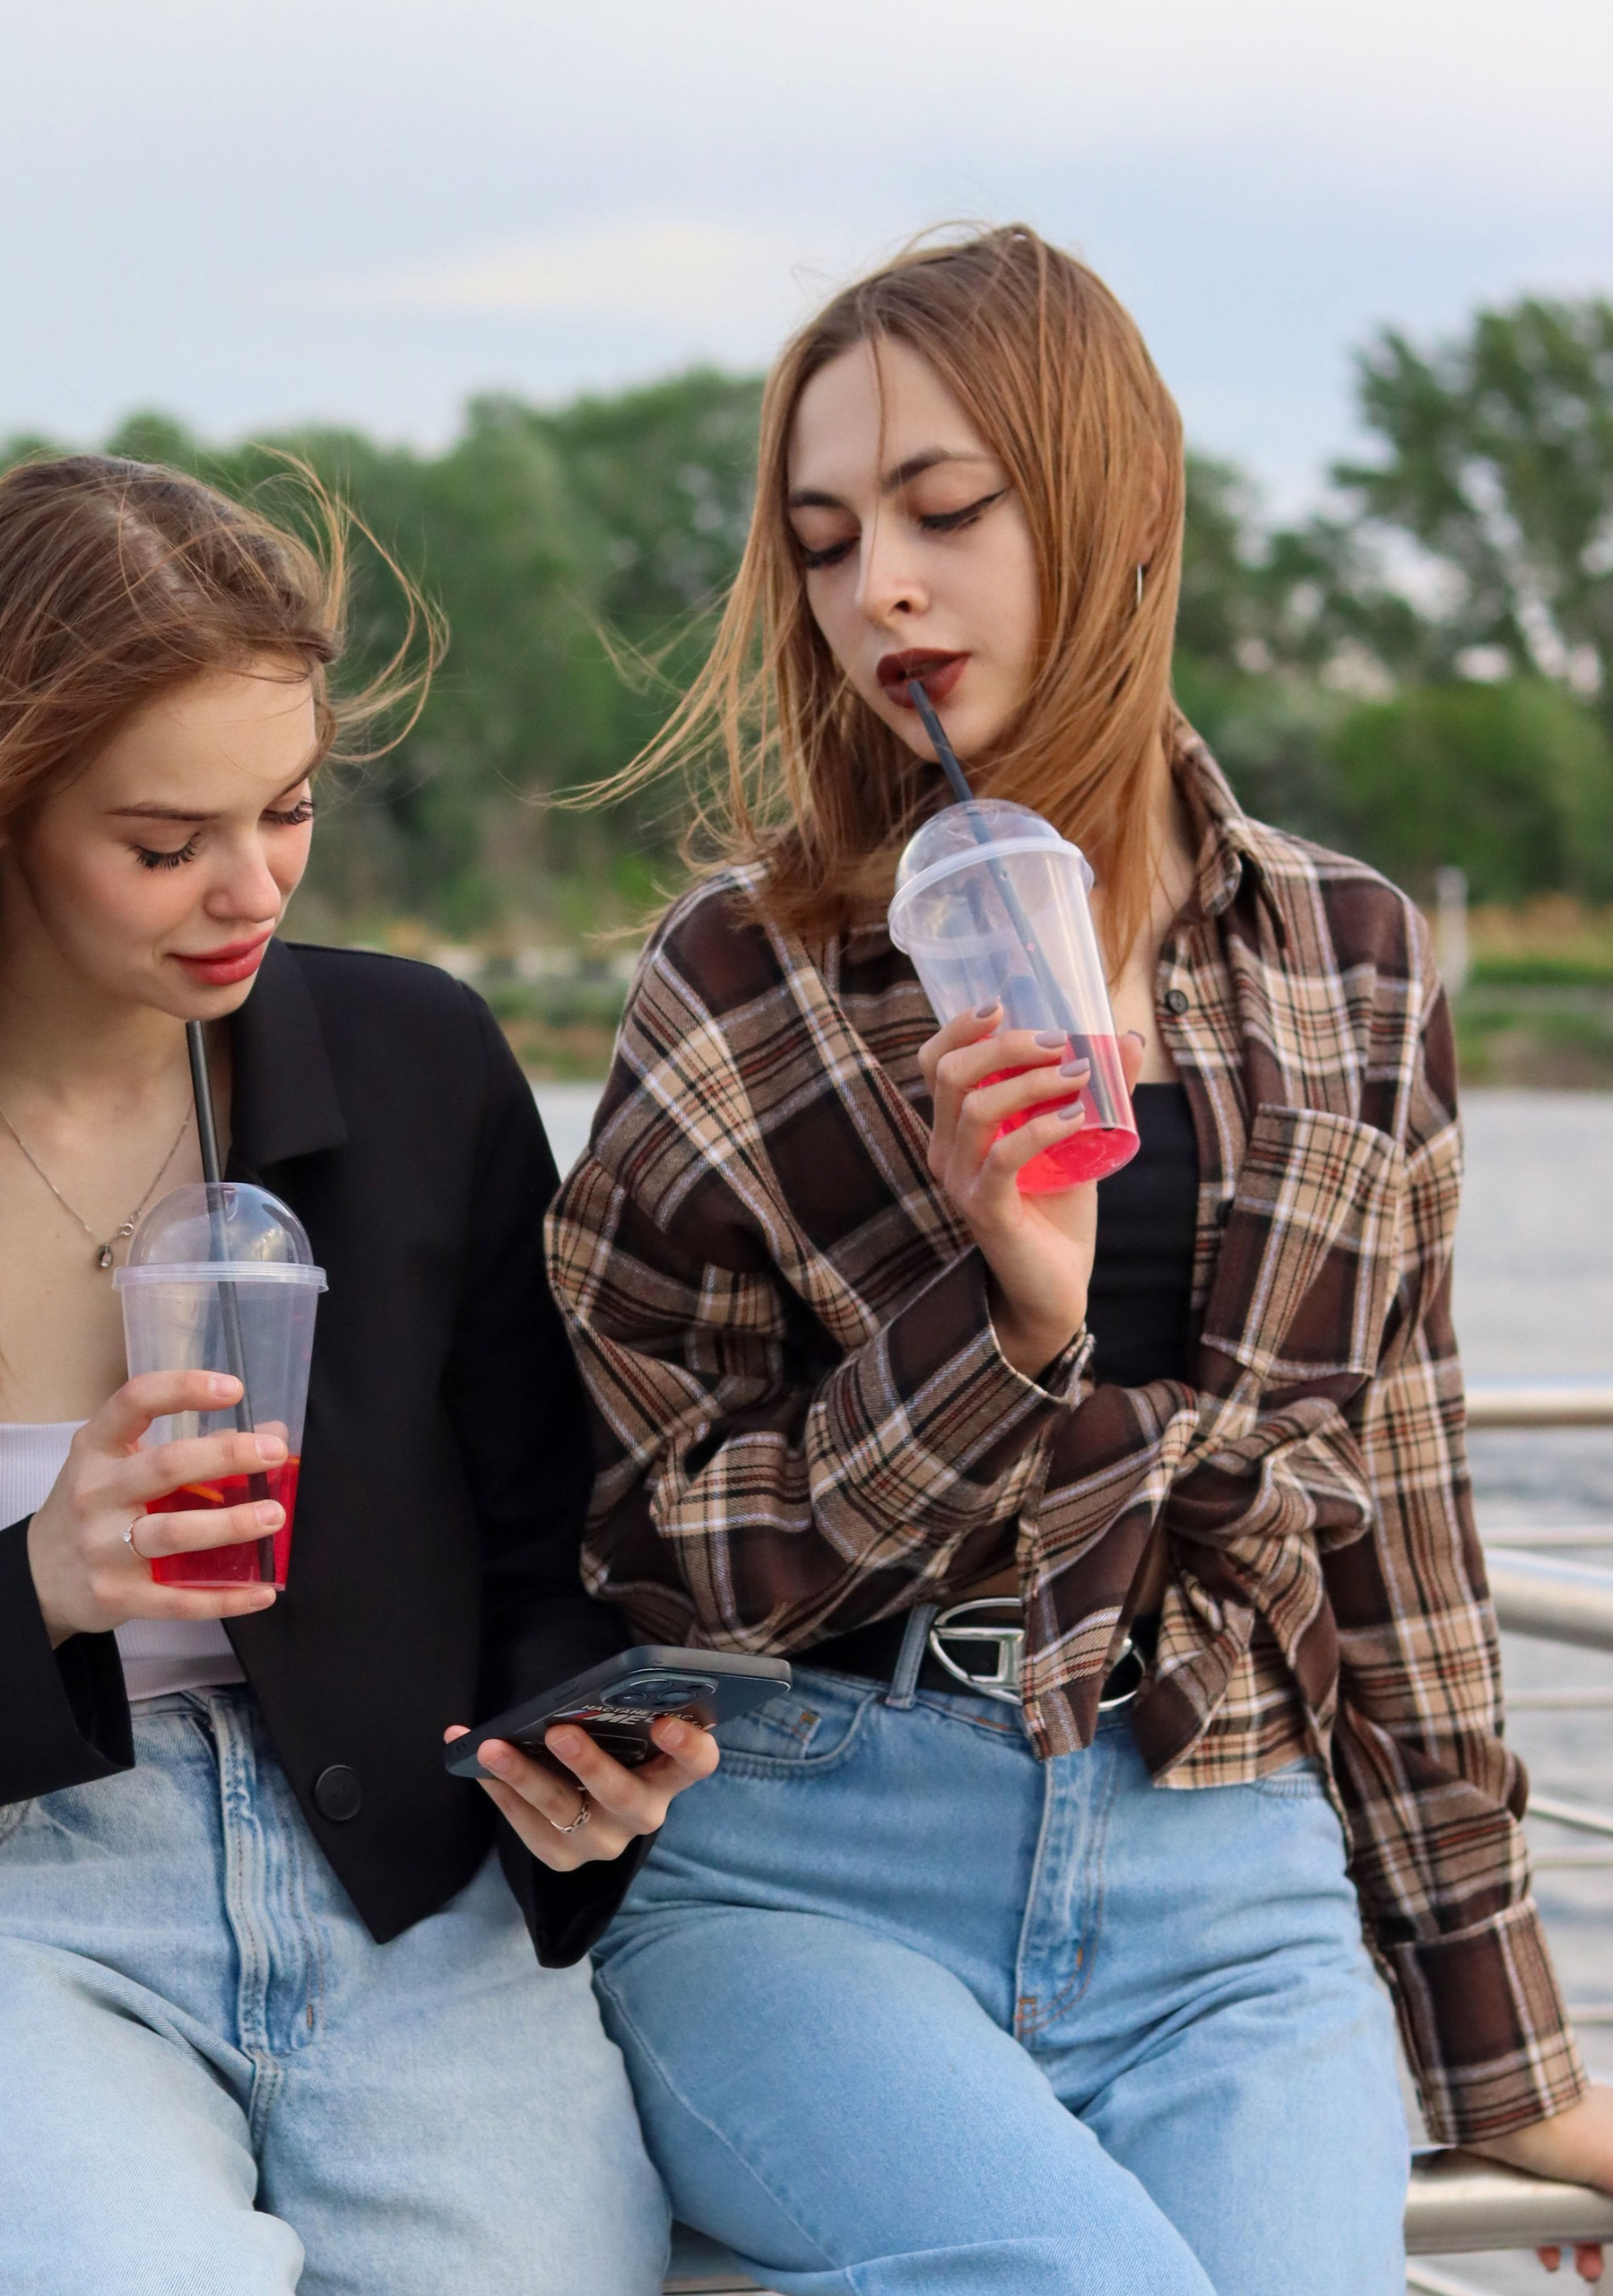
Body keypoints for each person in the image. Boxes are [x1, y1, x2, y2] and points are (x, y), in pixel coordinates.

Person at [544, 225, 1611, 2296]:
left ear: (1113, 506)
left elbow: (1390, 1512)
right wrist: (994, 1316)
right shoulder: (736, 973)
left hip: (1223, 1868)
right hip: (804, 1860)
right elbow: (627, 1531)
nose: (884, 593)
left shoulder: (1349, 958)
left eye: (944, 512)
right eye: (827, 537)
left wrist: (1504, 2056)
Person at [0, 453, 715, 2296]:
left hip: (412, 1911)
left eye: (284, 809)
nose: (247, 885)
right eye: (160, 840)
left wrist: (587, 1759)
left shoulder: (414, 1065)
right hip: (7, 1916)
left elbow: (547, 1558)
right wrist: (38, 1580)